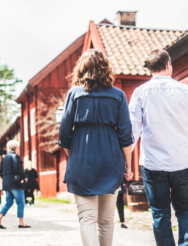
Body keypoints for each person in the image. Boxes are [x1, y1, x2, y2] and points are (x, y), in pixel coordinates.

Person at [129, 49, 188, 246]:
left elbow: (132, 131)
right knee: (185, 209)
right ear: (168, 65)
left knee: (160, 213)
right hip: (182, 162)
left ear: (150, 69)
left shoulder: (140, 92)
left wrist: (124, 162)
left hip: (153, 164)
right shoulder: (185, 90)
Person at [59, 49, 134, 246]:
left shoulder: (74, 94)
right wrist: (128, 166)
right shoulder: (118, 95)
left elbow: (64, 133)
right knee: (107, 221)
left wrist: (73, 155)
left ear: (81, 69)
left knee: (87, 218)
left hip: (81, 160)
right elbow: (126, 135)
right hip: (111, 158)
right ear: (105, 68)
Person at [0, 140, 30, 229]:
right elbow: (18, 169)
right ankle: (21, 222)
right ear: (17, 148)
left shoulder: (4, 158)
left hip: (6, 183)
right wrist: (24, 176)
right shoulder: (15, 156)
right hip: (15, 183)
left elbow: (0, 171)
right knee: (20, 202)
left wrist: (5, 179)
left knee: (9, 202)